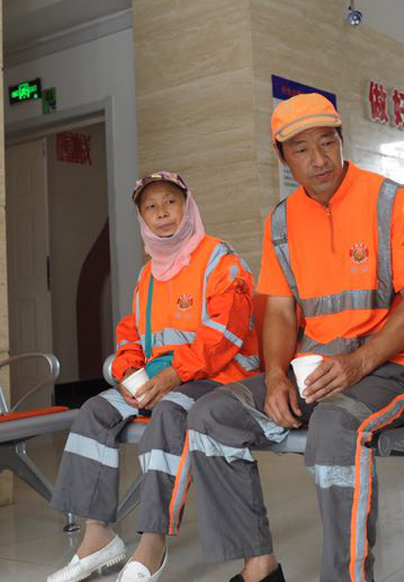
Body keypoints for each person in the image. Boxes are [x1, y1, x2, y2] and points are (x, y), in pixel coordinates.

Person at [186, 93, 404, 582]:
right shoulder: (281, 221)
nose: (319, 159)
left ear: (342, 141)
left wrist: (359, 362)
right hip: (316, 368)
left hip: (391, 367)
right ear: (282, 157)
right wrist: (276, 376)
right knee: (209, 417)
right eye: (301, 149)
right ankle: (259, 567)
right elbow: (280, 311)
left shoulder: (391, 202)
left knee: (333, 426)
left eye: (327, 143)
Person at [48, 172, 260, 582]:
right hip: (162, 380)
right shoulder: (148, 274)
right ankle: (98, 536)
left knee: (169, 413)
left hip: (219, 378)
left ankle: (152, 542)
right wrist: (129, 371)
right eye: (150, 206)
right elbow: (132, 333)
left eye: (170, 202)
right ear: (142, 218)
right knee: (94, 411)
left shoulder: (221, 260)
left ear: (188, 206)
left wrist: (174, 375)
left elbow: (225, 334)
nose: (162, 213)